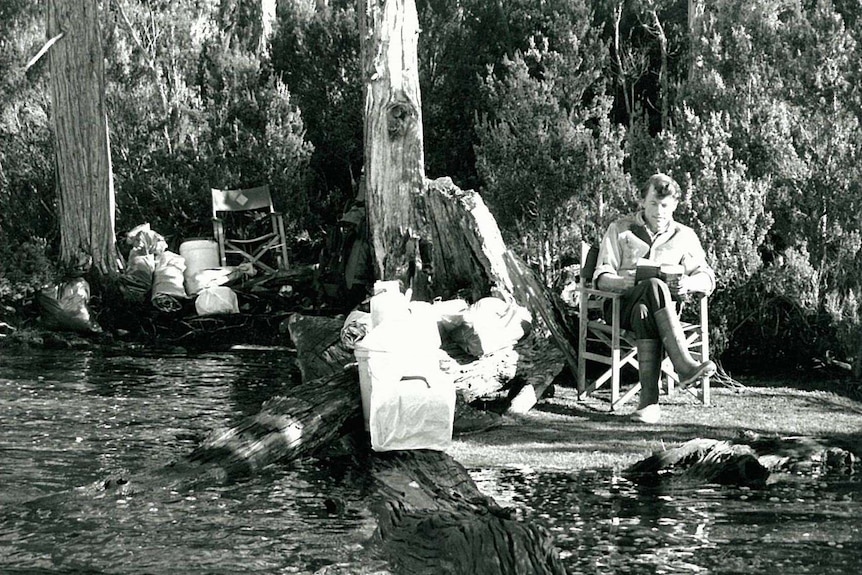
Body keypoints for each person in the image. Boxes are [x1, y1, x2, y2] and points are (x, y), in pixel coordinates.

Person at [593, 173, 716, 423]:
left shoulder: (685, 235)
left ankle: (649, 405)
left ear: (674, 205)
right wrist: (620, 281)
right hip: (620, 306)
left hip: (657, 312)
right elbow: (600, 276)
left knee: (645, 311)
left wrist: (688, 283)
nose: (659, 212)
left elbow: (707, 278)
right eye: (653, 204)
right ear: (642, 202)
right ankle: (683, 364)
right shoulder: (620, 229)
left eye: (665, 206)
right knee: (651, 286)